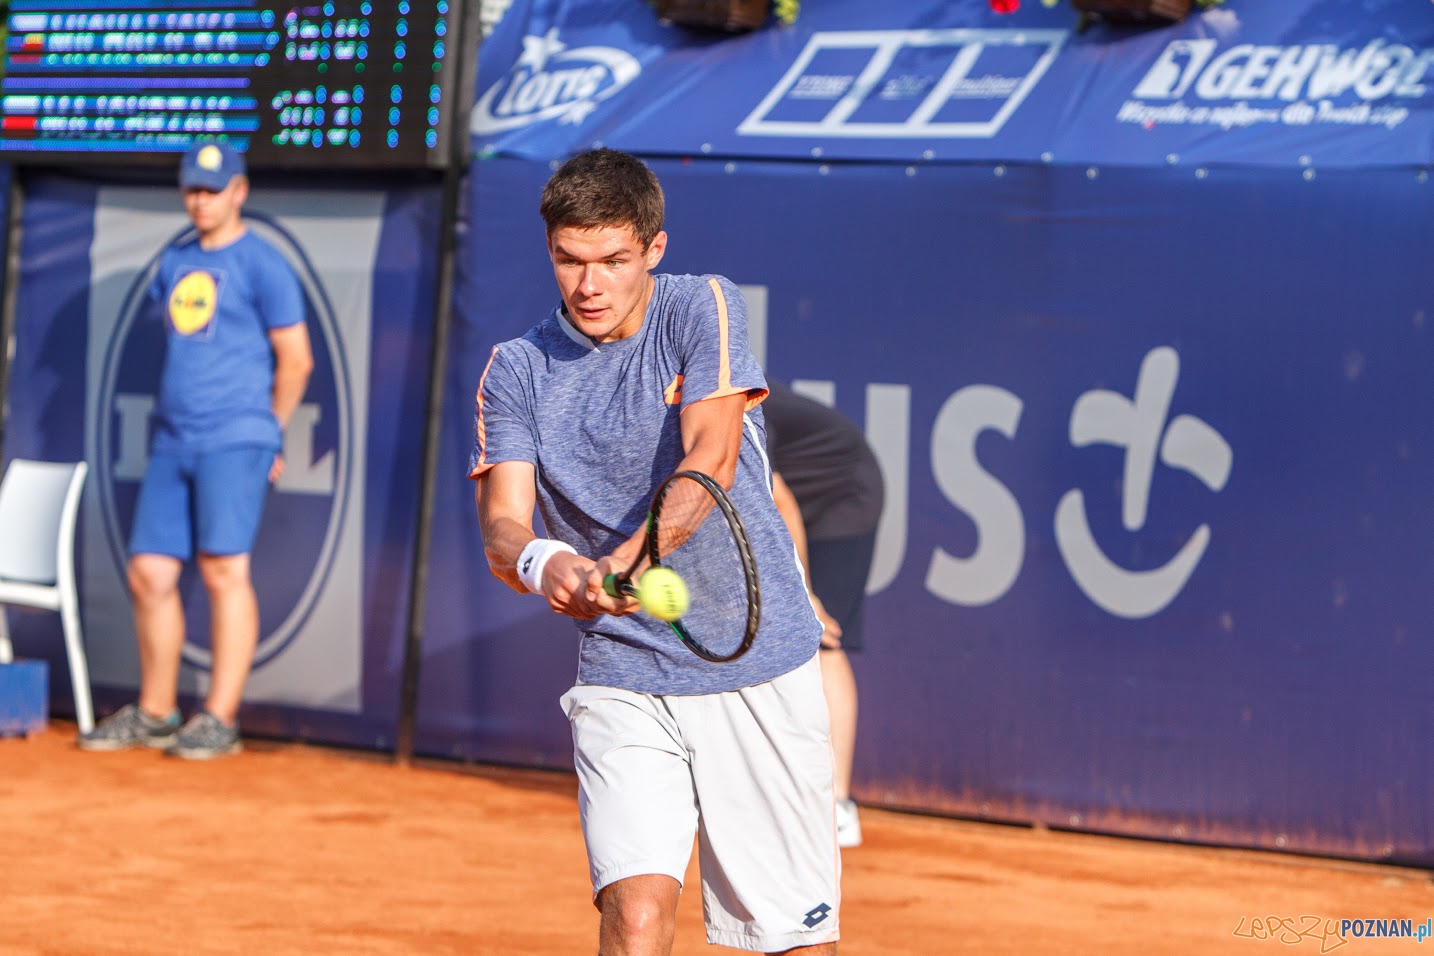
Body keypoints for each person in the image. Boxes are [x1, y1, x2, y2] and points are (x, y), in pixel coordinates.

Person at [469, 148, 840, 954]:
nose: (589, 284)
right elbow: (503, 524)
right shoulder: (518, 370)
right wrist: (545, 563)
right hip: (623, 669)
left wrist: (628, 563)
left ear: (654, 250)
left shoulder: (700, 306)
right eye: (569, 261)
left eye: (612, 260)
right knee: (634, 916)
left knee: (791, 942)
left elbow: (710, 457)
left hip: (758, 666)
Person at [78, 139, 313, 760]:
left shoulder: (265, 264)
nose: (201, 200)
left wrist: (270, 430)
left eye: (213, 189)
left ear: (240, 191)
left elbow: (296, 360)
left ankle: (219, 717)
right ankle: (156, 712)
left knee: (222, 571)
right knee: (149, 572)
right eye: (192, 189)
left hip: (236, 437)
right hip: (172, 439)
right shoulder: (174, 261)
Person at [763, 379, 884, 850]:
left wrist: (803, 592)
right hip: (791, 491)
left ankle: (837, 806)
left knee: (822, 635)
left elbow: (780, 500)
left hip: (841, 491)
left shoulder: (722, 397)